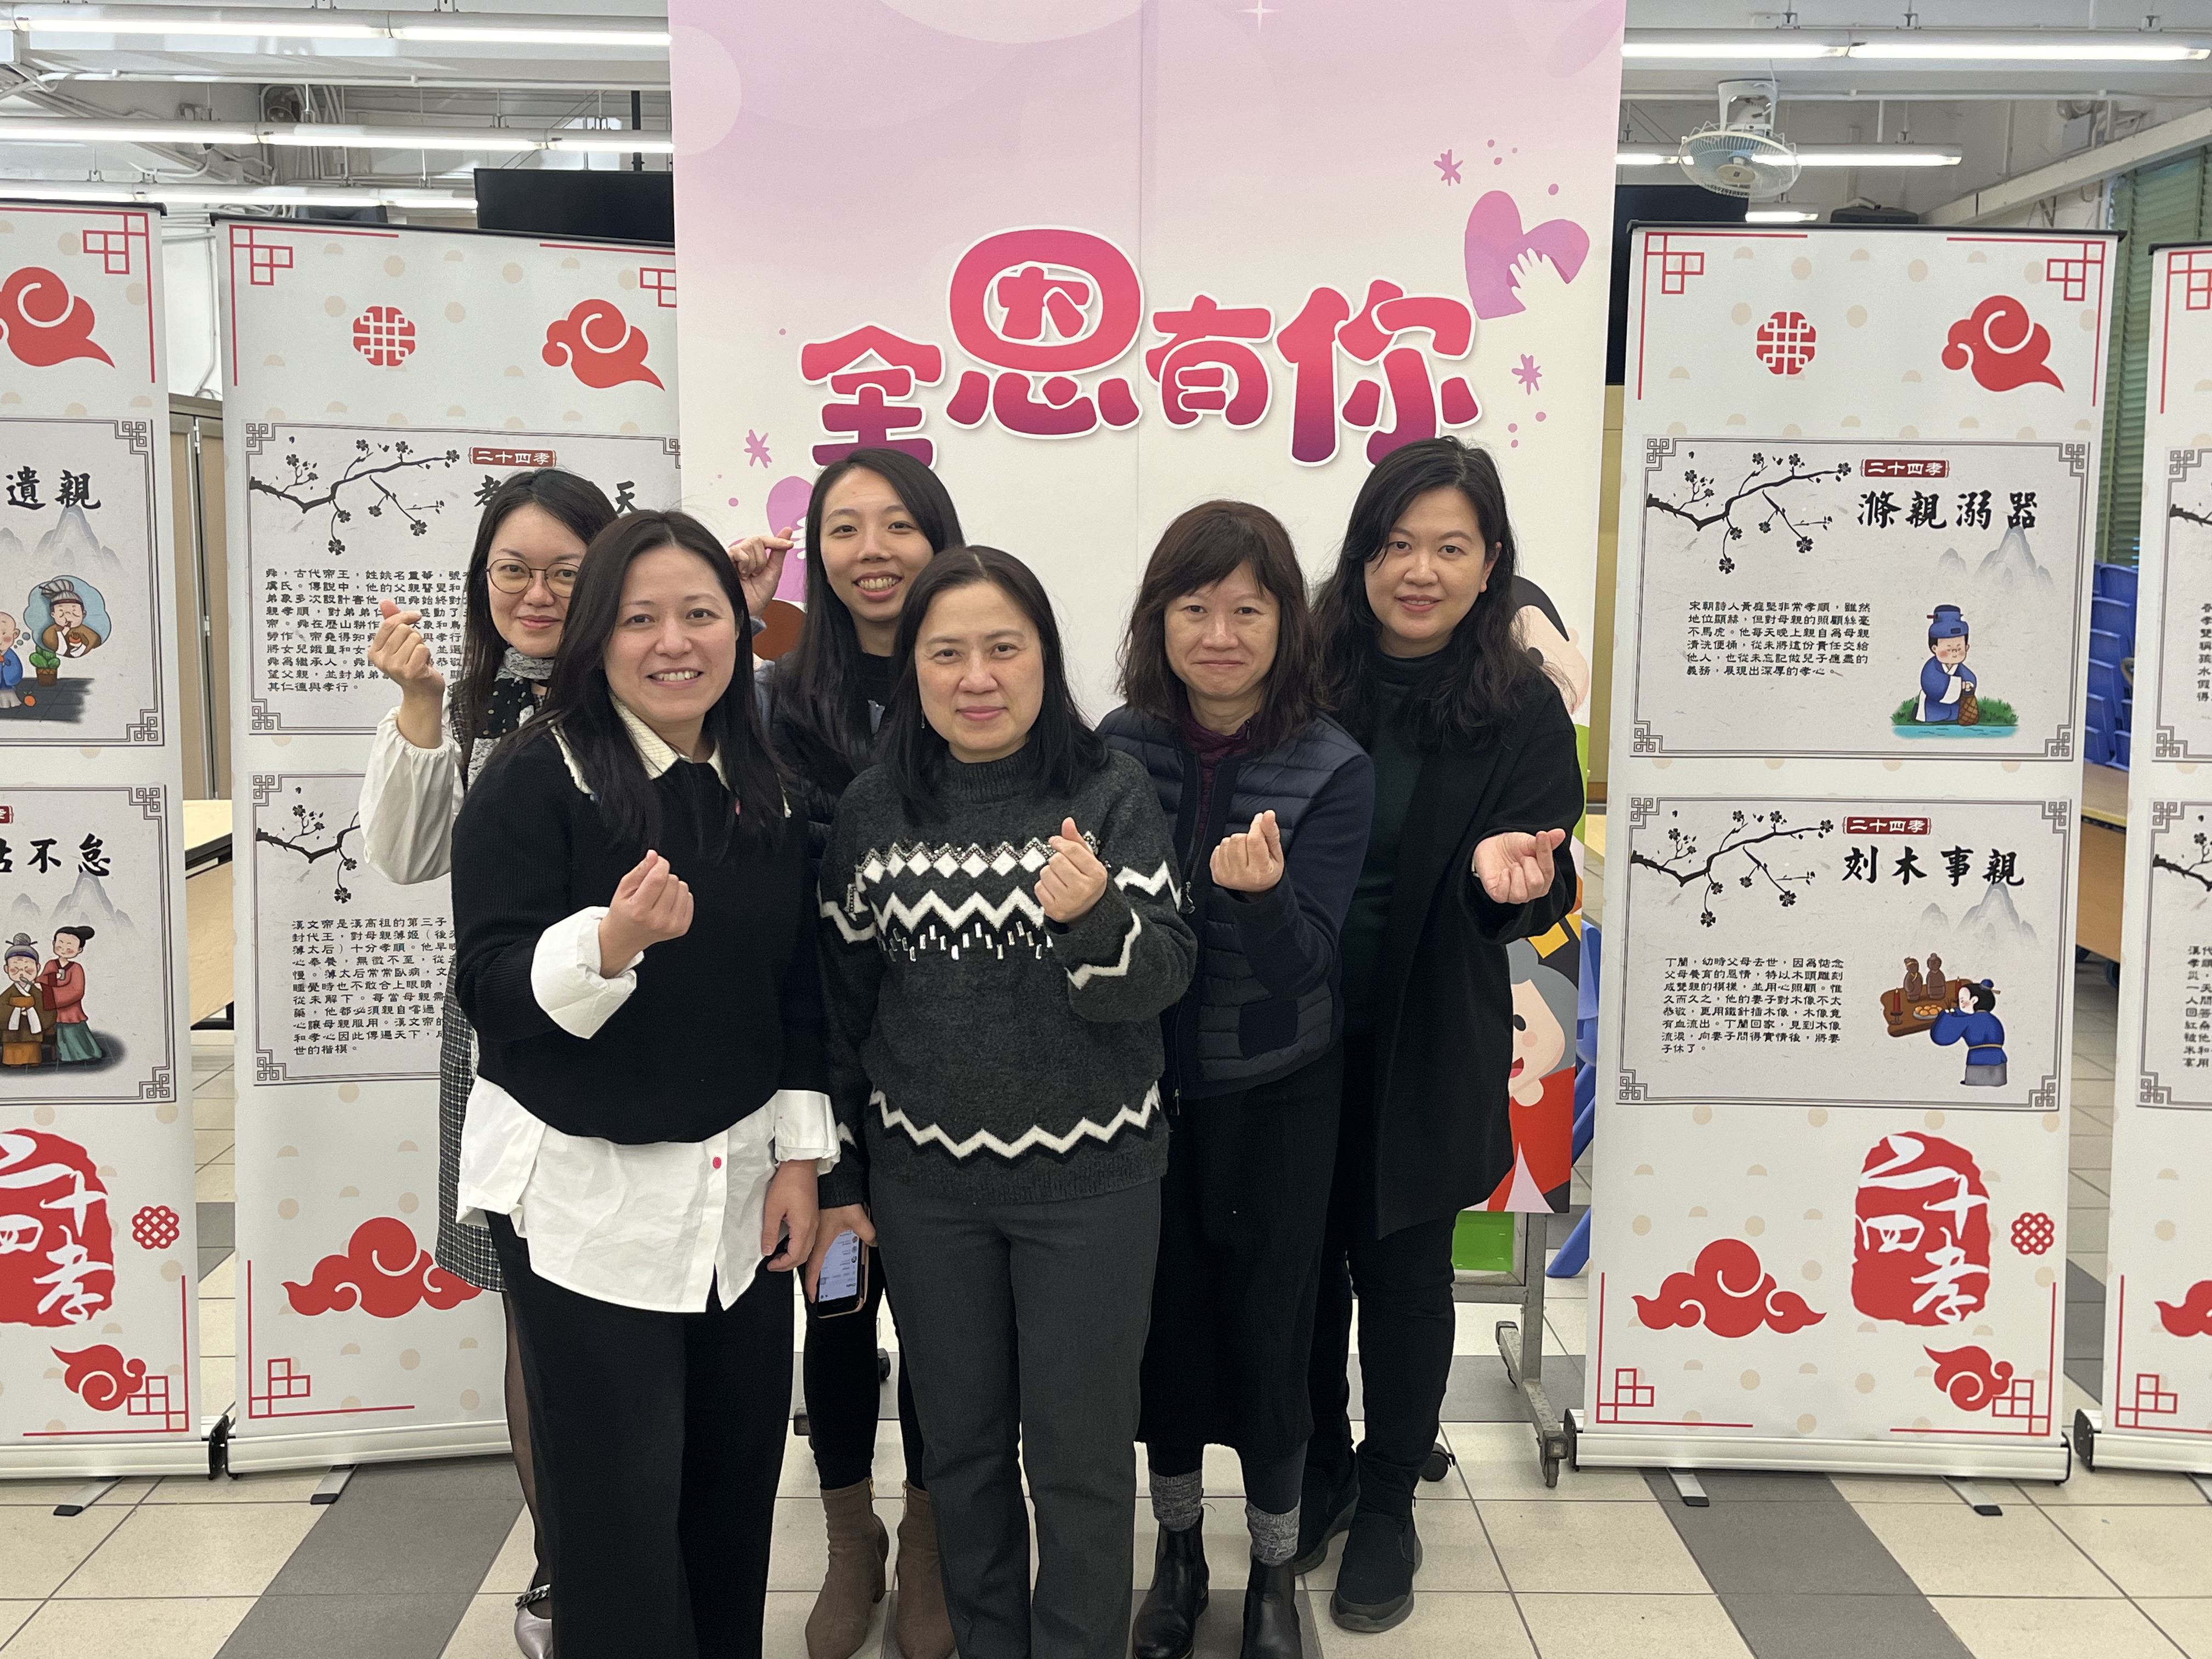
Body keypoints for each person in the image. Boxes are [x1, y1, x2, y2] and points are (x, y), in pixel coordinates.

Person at [450, 509, 830, 1659]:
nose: (675, 643)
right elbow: (490, 987)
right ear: (595, 637)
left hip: (738, 1190)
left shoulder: (762, 781)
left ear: (740, 627)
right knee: (618, 1515)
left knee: (731, 1492)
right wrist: (607, 945)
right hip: (585, 1200)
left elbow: (796, 986)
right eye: (639, 618)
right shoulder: (536, 779)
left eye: (701, 613)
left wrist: (803, 1159)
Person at [814, 546, 1196, 1659]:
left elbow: (1161, 977)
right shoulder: (872, 809)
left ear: (1043, 658)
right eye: (947, 653)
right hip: (926, 1190)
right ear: (914, 670)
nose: (976, 676)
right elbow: (839, 1012)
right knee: (962, 1453)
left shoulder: (1109, 792)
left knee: (1080, 1459)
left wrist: (1092, 920)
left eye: (1002, 648)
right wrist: (843, 1174)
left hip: (1095, 1184)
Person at [1296, 438, 1582, 1633]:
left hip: (1425, 1031)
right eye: (1397, 543)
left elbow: (1543, 872)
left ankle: (1386, 1501)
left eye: (1450, 547)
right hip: (1290, 1028)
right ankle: (1316, 1464)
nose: (1420, 570)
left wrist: (1506, 880)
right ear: (1363, 552)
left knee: (1405, 1273)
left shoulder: (1518, 703)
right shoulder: (1301, 668)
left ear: (1491, 562)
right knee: (1301, 1270)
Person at [1098, 501, 1372, 1659]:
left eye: (1247, 610)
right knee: (1161, 1336)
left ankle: (1271, 1575)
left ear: (1286, 622)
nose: (1219, 634)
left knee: (1272, 1337)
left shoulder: (1332, 764)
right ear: (1159, 620)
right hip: (1140, 1092)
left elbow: (1307, 964)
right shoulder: (1118, 744)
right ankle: (1176, 1560)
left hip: (1276, 1093)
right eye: (1194, 607)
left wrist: (1259, 898)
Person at [357, 468, 616, 1659]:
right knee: (535, 1310)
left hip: (639, 1025)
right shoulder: (460, 706)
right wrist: (417, 704)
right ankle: (563, 1558)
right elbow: (407, 856)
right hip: (501, 1038)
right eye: (513, 569)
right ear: (480, 582)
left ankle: (635, 1547)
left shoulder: (649, 683)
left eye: (566, 570)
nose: (538, 592)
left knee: (632, 1303)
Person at [753, 447, 963, 1659]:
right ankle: (852, 1541)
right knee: (835, 1307)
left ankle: (929, 1542)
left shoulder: (978, 681)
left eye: (898, 525)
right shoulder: (775, 701)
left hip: (950, 1068)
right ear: (816, 552)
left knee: (939, 1319)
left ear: (939, 538)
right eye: (844, 528)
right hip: (815, 1061)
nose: (873, 551)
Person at [37, 926, 99, 1064]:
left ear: (79, 950)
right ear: (54, 943)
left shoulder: (76, 968)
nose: (64, 948)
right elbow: (40, 980)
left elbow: (77, 991)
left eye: (70, 945)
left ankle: (79, 1055)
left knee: (73, 1034)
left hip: (71, 1010)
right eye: (60, 943)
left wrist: (51, 994)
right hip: (52, 1011)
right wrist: (53, 979)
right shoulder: (51, 964)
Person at [3, 934, 47, 1067]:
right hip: (13, 1033)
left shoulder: (37, 992)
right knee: (13, 1051)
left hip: (31, 1031)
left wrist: (31, 1011)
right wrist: (16, 1011)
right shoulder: (9, 992)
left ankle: (33, 1061)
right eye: (15, 969)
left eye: (28, 969)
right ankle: (13, 1062)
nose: (22, 973)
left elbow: (48, 1010)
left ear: (38, 968)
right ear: (6, 969)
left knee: (32, 1051)